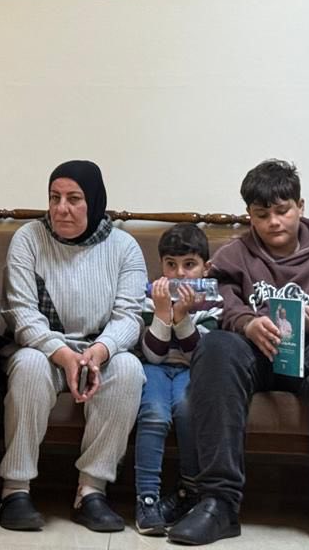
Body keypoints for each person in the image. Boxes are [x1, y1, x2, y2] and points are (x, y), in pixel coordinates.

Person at [168, 159, 309, 550]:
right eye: (262, 215)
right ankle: (218, 503)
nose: (274, 222)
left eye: (282, 211)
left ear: (300, 206)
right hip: (253, 356)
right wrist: (247, 322)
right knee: (217, 346)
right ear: (250, 215)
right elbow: (220, 298)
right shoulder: (234, 254)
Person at [0, 160, 146, 534]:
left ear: (93, 201)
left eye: (74, 199)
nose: (61, 208)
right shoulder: (29, 238)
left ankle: (91, 490)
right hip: (45, 350)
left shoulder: (124, 246)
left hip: (98, 351)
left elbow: (130, 317)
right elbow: (20, 312)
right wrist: (62, 355)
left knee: (129, 369)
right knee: (29, 366)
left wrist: (100, 351)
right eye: (54, 198)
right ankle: (15, 490)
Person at [134, 222, 221, 536]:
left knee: (187, 409)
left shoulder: (214, 303)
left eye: (189, 265)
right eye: (171, 265)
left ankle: (190, 489)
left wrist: (183, 317)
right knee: (154, 415)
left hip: (192, 371)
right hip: (155, 368)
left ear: (205, 268)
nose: (180, 274)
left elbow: (200, 355)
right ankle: (146, 499)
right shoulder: (150, 298)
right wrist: (162, 314)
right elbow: (153, 355)